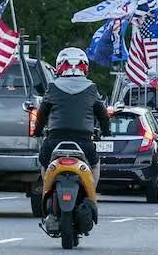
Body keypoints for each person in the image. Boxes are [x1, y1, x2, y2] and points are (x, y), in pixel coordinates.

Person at [31, 48, 110, 232]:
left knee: (44, 164)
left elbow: (42, 114)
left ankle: (47, 192)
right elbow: (103, 115)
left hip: (55, 140)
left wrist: (37, 132)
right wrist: (105, 131)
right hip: (83, 140)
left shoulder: (52, 87)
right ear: (84, 67)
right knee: (95, 165)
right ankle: (91, 197)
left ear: (60, 66)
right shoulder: (91, 88)